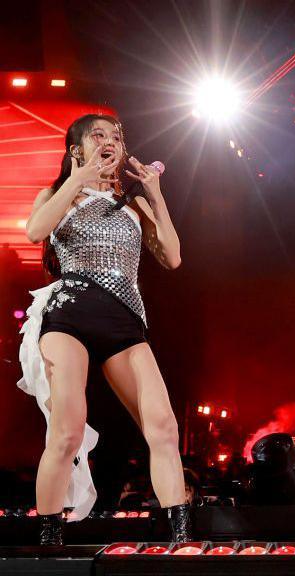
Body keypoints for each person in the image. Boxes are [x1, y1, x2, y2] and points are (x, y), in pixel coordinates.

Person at [18, 114, 189, 544]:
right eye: (98, 135)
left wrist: (154, 193)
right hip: (70, 314)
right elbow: (36, 230)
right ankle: (50, 536)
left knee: (164, 428)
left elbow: (172, 257)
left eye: (116, 136)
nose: (110, 141)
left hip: (124, 318)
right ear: (75, 149)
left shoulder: (134, 203)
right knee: (68, 430)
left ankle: (182, 536)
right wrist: (79, 180)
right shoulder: (57, 193)